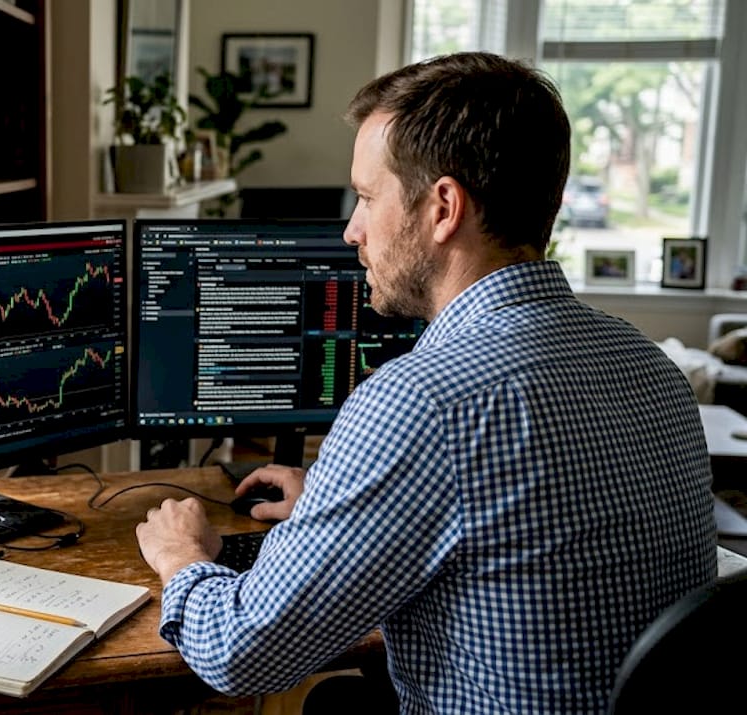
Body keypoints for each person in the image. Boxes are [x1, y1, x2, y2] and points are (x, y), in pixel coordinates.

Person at [136, 52, 715, 713]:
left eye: (365, 197)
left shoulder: (422, 401)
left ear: (443, 207)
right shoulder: (650, 366)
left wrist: (183, 556)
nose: (351, 230)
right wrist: (341, 507)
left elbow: (242, 653)